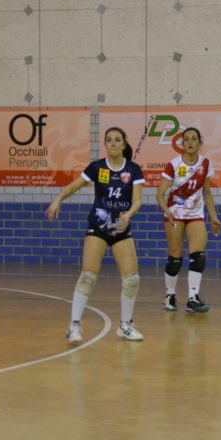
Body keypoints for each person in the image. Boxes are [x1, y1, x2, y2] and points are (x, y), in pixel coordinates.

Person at [46, 127, 145, 344]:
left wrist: (129, 214)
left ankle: (125, 325)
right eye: (109, 140)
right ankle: (74, 326)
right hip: (98, 227)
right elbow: (75, 185)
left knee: (132, 280)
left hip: (121, 229)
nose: (113, 143)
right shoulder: (97, 167)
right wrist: (57, 199)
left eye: (117, 140)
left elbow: (137, 200)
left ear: (124, 144)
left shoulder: (134, 170)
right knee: (88, 277)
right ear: (105, 144)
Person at [156, 127, 221, 314]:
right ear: (182, 143)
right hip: (175, 214)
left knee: (198, 257)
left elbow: (207, 192)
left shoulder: (206, 163)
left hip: (196, 214)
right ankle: (169, 295)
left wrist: (214, 217)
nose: (190, 142)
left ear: (199, 143)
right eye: (186, 139)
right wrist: (166, 211)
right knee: (175, 258)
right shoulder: (174, 164)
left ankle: (193, 298)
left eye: (194, 139)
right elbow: (159, 194)